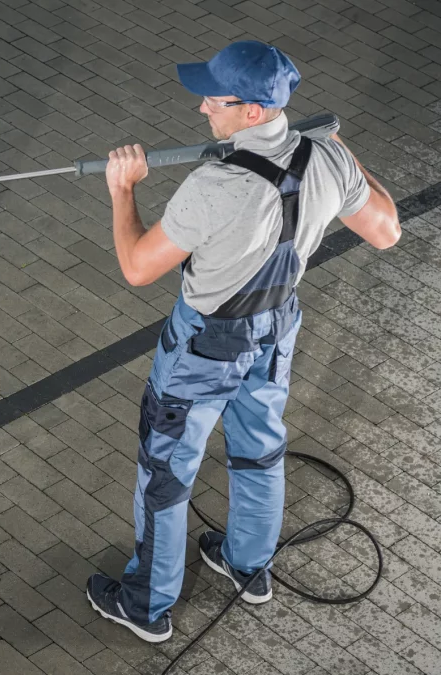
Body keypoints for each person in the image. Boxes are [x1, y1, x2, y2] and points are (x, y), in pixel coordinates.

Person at [84, 40, 401, 643]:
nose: (204, 108)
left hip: (206, 343)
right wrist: (342, 156)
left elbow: (136, 267)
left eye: (216, 99)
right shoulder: (328, 160)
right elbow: (386, 230)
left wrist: (123, 189)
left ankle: (146, 604)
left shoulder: (215, 185)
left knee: (166, 472)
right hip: (277, 328)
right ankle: (247, 565)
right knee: (259, 451)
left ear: (253, 112)